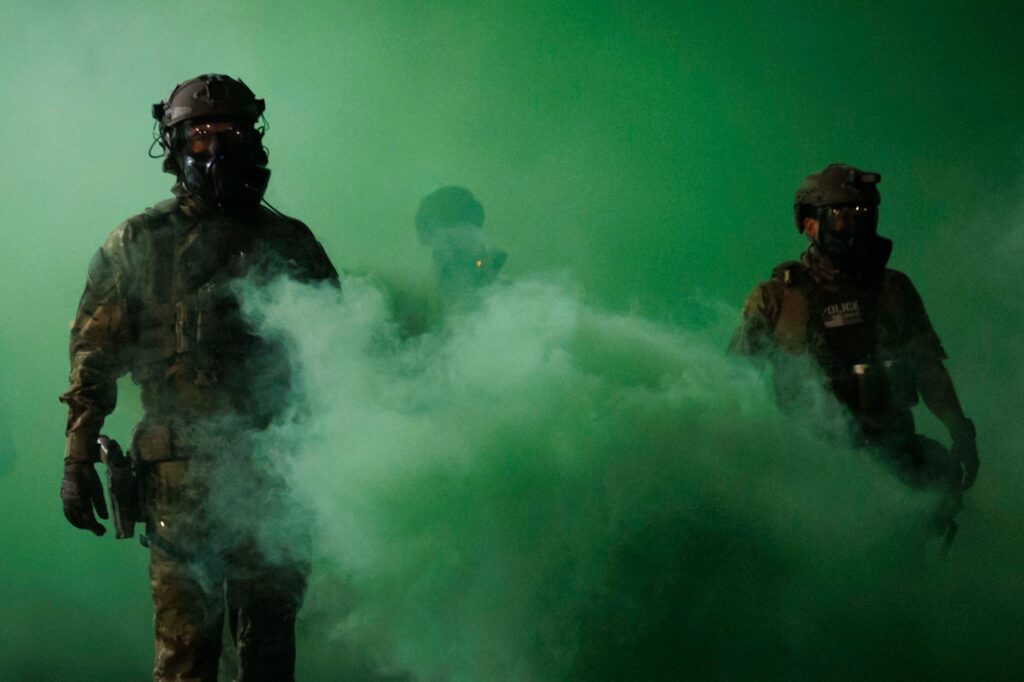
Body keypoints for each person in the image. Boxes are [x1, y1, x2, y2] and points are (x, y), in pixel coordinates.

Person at [58, 74, 338, 681]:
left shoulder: (289, 242)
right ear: (175, 145)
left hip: (273, 477)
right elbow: (93, 356)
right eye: (202, 136)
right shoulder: (139, 243)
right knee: (185, 660)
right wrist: (77, 459)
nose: (217, 151)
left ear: (253, 140)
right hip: (180, 487)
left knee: (269, 656)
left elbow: (337, 359)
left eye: (231, 134)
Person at [729, 163, 978, 545]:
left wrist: (960, 431)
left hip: (892, 451)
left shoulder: (893, 289)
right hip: (811, 465)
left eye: (865, 213)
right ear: (810, 223)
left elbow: (928, 369)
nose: (856, 226)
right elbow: (733, 385)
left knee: (936, 488)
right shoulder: (776, 299)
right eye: (842, 216)